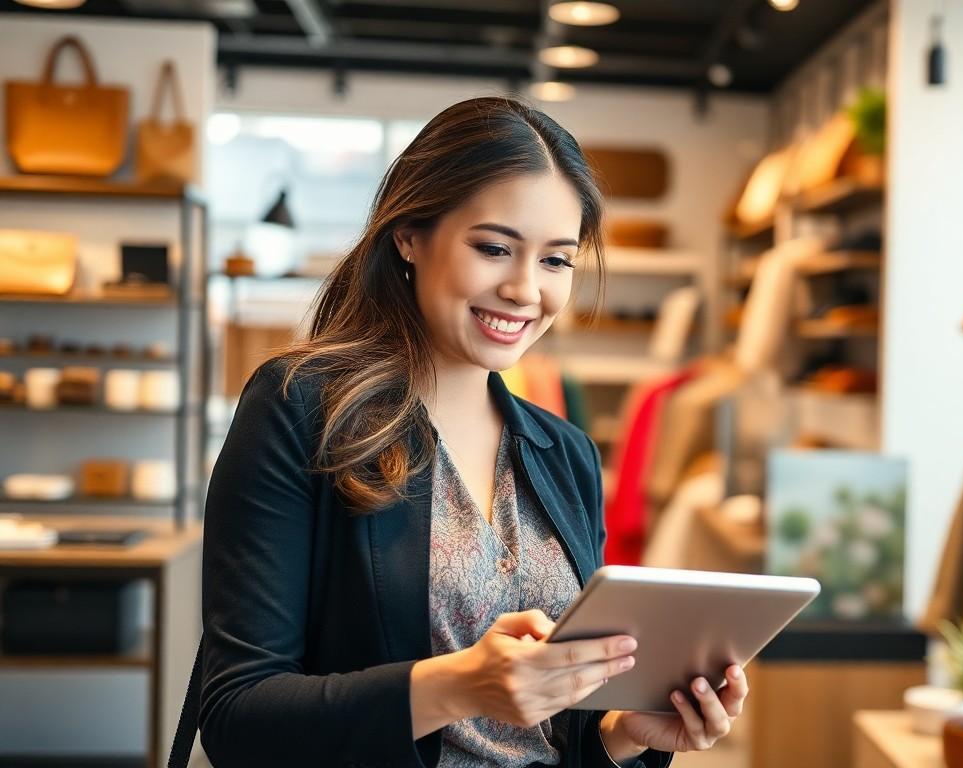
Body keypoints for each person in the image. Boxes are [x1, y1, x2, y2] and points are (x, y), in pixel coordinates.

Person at [176, 97, 747, 768]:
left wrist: (626, 735)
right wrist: (460, 684)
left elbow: (555, 743)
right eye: (495, 248)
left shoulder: (564, 454)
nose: (525, 289)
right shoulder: (301, 409)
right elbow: (239, 716)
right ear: (410, 236)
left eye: (556, 261)